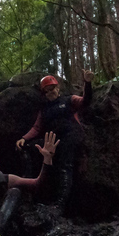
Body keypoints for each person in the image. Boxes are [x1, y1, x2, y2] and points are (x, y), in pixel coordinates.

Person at [15, 70, 94, 211]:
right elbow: (36, 127)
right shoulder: (44, 109)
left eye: (52, 88)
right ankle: (28, 183)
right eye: (47, 90)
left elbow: (85, 101)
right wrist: (23, 139)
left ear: (58, 88)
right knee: (27, 148)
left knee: (64, 165)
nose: (50, 92)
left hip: (71, 135)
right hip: (53, 141)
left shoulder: (68, 100)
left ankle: (60, 205)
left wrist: (87, 83)